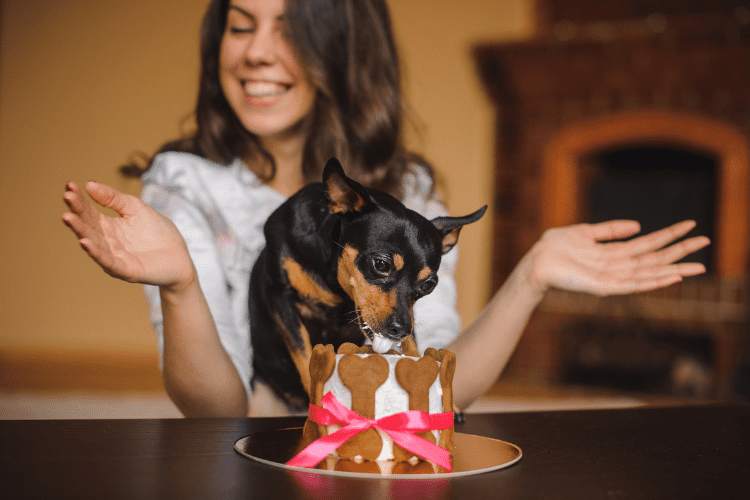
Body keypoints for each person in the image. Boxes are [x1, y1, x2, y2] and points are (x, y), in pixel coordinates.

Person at [61, 0, 710, 417]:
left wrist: (530, 277)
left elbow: (436, 385)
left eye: (292, 29)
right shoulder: (184, 186)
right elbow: (220, 412)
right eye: (240, 25)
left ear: (342, 47)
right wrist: (179, 286)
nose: (257, 51)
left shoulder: (409, 191)